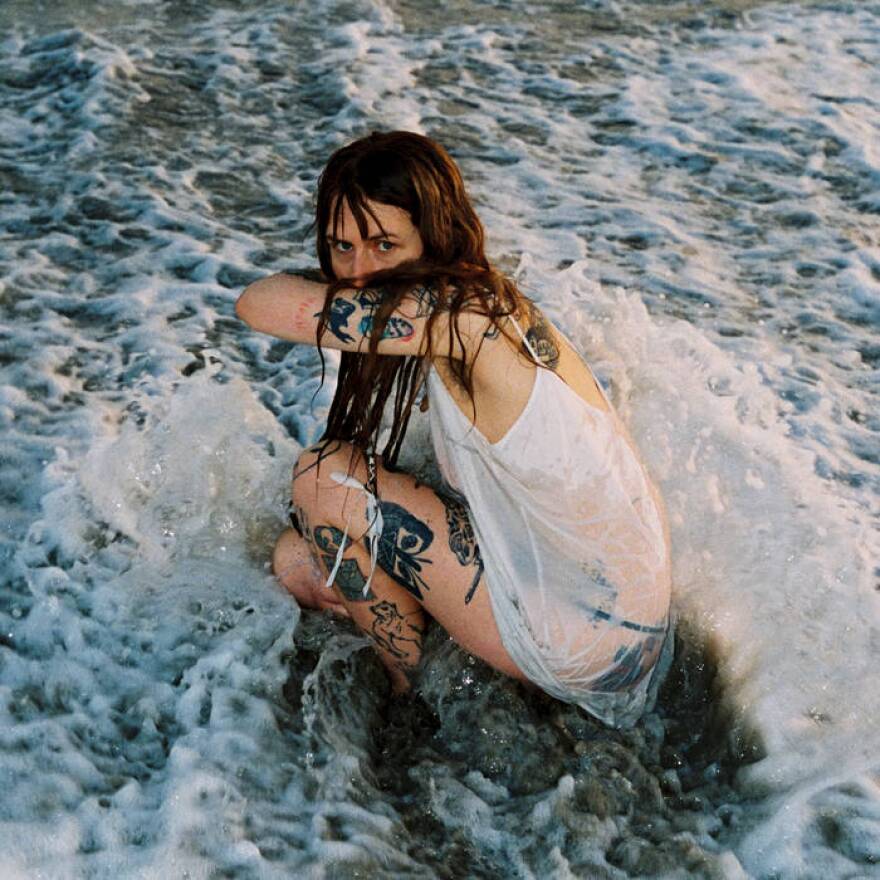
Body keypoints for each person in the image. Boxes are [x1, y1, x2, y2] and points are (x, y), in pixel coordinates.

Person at [235, 131, 672, 728]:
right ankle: (462, 655)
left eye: (384, 244)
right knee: (297, 560)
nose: (359, 272)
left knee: (321, 480)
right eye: (341, 246)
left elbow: (256, 303)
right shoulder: (494, 304)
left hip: (578, 639)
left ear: (434, 237)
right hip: (633, 627)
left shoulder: (457, 321)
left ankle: (419, 696)